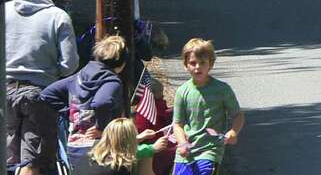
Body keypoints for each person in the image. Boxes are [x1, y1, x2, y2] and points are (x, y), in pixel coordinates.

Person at [6, 0, 78, 175]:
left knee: (9, 160)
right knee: (33, 163)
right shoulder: (58, 17)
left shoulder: (5, 10)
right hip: (38, 95)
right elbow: (69, 65)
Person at [41, 35, 129, 174]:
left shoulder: (79, 77)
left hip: (75, 146)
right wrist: (101, 127)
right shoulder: (112, 81)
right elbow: (102, 102)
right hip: (102, 148)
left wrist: (73, 113)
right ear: (122, 62)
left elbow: (47, 94)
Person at [171, 39, 243, 175]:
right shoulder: (182, 91)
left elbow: (238, 115)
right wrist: (182, 143)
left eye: (202, 62)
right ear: (185, 65)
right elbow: (178, 124)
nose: (197, 67)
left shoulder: (222, 89)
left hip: (210, 150)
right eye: (193, 63)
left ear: (211, 64)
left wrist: (233, 132)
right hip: (185, 153)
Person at [88, 118, 167, 175]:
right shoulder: (119, 168)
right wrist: (151, 149)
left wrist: (138, 138)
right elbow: (125, 154)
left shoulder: (90, 152)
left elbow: (115, 145)